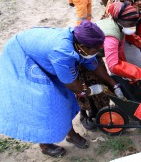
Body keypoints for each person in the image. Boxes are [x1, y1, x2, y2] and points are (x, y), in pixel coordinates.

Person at [0, 21, 119, 157]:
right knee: (45, 103)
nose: (98, 52)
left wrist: (113, 84)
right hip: (22, 56)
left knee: (63, 98)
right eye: (95, 50)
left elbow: (94, 64)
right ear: (82, 46)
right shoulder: (63, 53)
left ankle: (70, 134)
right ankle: (45, 145)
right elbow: (74, 86)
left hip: (40, 49)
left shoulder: (80, 44)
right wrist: (95, 89)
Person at [97, 1, 141, 86]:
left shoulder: (119, 26)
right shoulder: (112, 37)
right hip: (84, 55)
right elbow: (113, 65)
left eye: (134, 23)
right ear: (120, 20)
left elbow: (120, 52)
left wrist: (130, 74)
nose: (133, 26)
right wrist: (140, 73)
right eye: (131, 23)